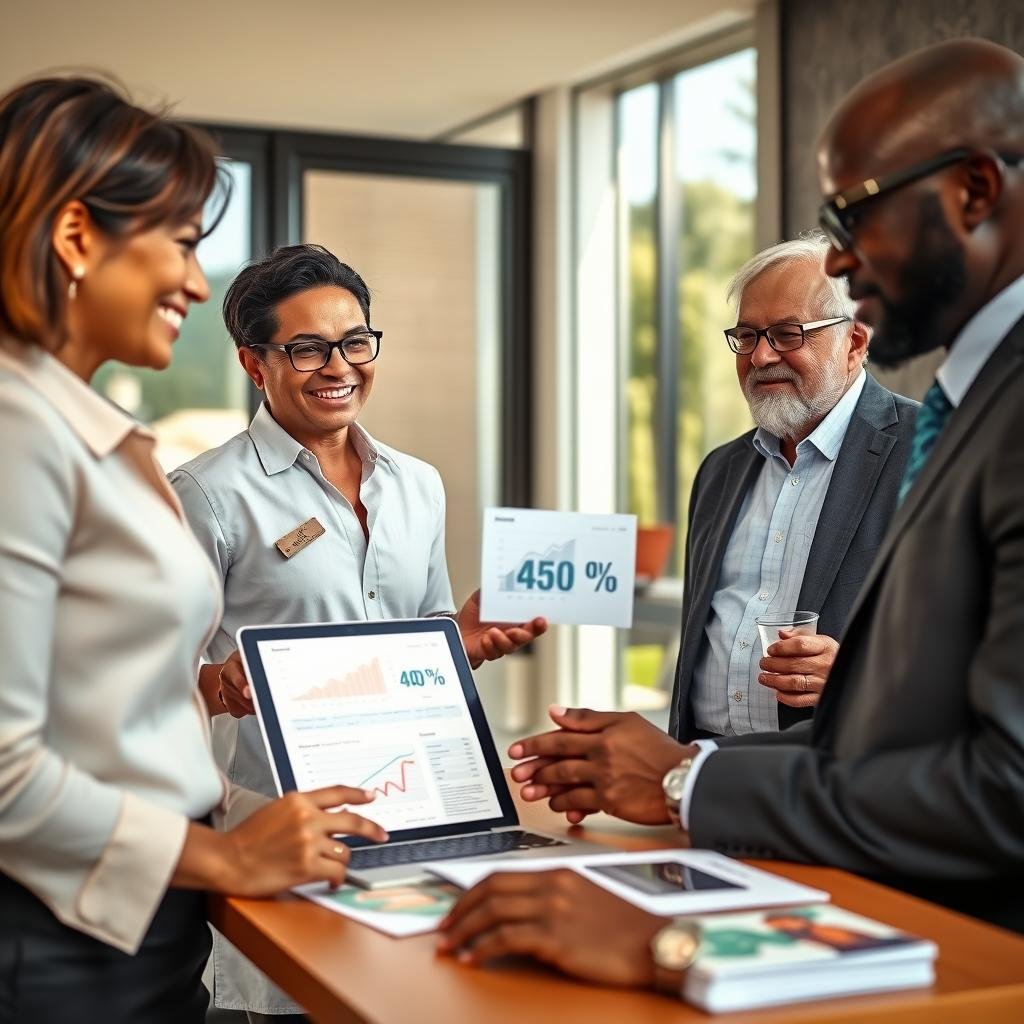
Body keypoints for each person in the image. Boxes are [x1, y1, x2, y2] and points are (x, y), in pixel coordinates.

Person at [437, 36, 1024, 987]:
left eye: (856, 212)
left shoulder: (971, 421)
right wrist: (660, 767)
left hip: (947, 947)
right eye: (745, 335)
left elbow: (1006, 785)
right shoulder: (961, 406)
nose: (842, 251)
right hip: (787, 872)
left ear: (973, 190)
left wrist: (684, 778)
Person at [0, 77, 386, 1024]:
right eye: (179, 244)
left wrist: (238, 817)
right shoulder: (17, 429)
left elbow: (104, 706)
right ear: (78, 237)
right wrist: (224, 854)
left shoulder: (83, 428)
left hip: (144, 917)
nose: (195, 284)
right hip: (63, 941)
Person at [169, 243, 547, 1019]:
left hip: (425, 829)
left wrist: (465, 639)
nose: (337, 365)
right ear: (253, 361)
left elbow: (422, 642)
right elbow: (158, 686)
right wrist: (218, 686)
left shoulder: (418, 484)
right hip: (279, 836)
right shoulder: (206, 494)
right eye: (305, 347)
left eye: (354, 341)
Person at [669, 233, 918, 740]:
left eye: (787, 334)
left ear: (855, 342)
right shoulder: (719, 470)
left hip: (834, 789)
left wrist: (861, 677)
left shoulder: (929, 453)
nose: (760, 358)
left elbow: (991, 641)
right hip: (700, 778)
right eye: (747, 336)